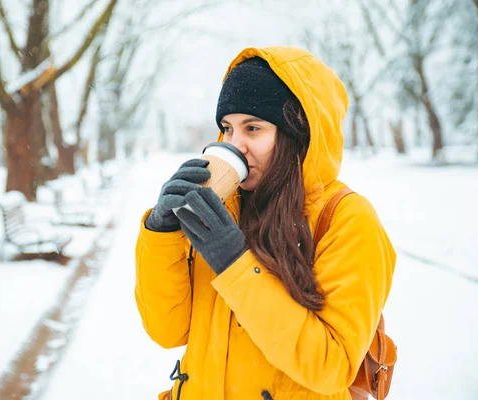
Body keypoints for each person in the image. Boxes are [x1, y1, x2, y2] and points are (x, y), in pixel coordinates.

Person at [135, 46, 396, 400]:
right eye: (227, 128)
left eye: (253, 128)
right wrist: (162, 235)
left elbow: (330, 367)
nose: (234, 144)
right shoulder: (222, 210)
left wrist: (235, 264)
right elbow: (168, 331)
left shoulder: (348, 221)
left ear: (296, 134)